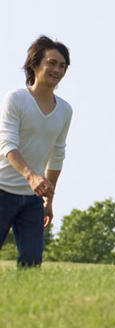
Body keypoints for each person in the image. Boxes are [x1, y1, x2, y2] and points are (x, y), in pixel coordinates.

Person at [0, 36, 73, 266]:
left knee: (32, 263)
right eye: (51, 63)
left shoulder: (65, 110)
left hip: (32, 200)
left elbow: (57, 154)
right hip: (2, 191)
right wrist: (31, 177)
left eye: (62, 66)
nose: (57, 70)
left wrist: (48, 200)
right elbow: (7, 145)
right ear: (34, 64)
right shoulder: (16, 99)